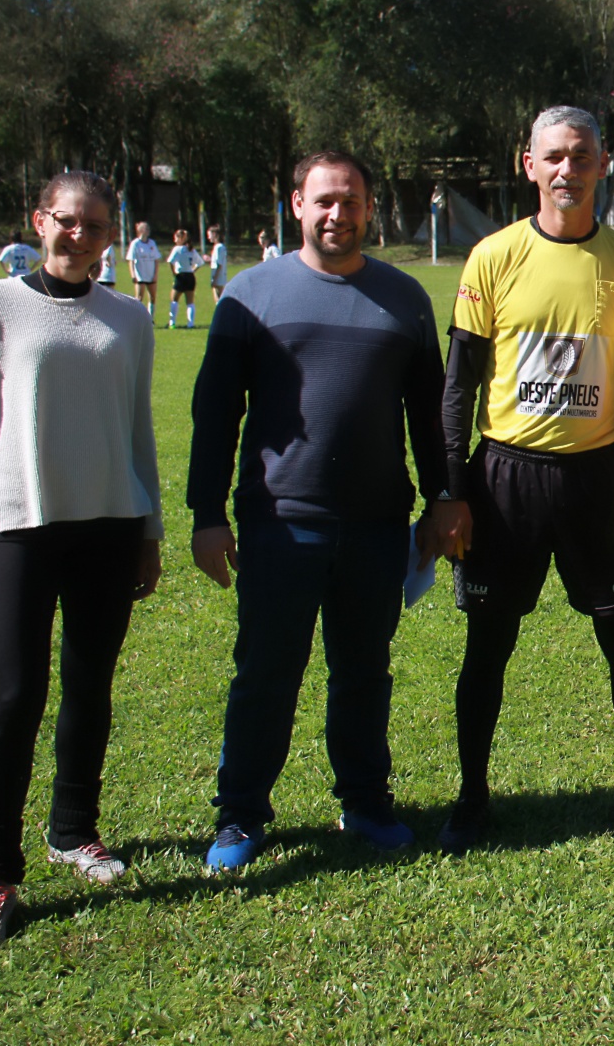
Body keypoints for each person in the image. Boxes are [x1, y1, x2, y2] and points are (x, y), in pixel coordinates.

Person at [188, 151, 458, 872]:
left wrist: (441, 499)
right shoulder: (250, 294)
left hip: (375, 526)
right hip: (280, 522)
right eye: (325, 201)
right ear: (296, 205)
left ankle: (366, 803)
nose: (339, 214)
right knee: (266, 672)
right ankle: (241, 816)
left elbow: (429, 418)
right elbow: (215, 414)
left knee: (364, 671)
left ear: (370, 209)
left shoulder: (405, 298)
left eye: (353, 201)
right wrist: (206, 513)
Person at [0, 171, 163, 953]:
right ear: (40, 221)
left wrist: (150, 529)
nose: (81, 238)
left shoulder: (130, 318)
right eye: (68, 222)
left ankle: (74, 831)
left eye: (96, 227)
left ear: (113, 235)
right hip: (19, 527)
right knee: (14, 699)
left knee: (90, 690)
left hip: (108, 526)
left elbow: (138, 432)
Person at [437, 106, 614, 853]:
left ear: (602, 165)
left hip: (598, 482)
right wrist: (452, 492)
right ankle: (472, 797)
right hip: (505, 481)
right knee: (487, 647)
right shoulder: (492, 257)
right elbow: (457, 389)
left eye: (581, 156)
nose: (567, 169)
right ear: (527, 164)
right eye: (553, 157)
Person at [165, 229, 204, 330]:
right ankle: (190, 324)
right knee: (190, 302)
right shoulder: (191, 249)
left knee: (174, 300)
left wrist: (174, 273)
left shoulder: (177, 249)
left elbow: (170, 261)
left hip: (181, 276)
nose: (175, 239)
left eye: (176, 237)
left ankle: (172, 323)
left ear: (182, 238)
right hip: (190, 276)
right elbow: (200, 263)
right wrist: (192, 271)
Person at [126, 222, 161, 318]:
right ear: (140, 230)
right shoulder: (135, 244)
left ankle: (151, 319)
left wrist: (155, 275)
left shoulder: (152, 243)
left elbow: (156, 260)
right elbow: (131, 260)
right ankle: (137, 318)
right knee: (139, 298)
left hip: (150, 274)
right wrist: (133, 275)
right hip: (140, 275)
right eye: (146, 229)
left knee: (152, 297)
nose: (148, 231)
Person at [207, 225, 230, 302]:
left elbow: (218, 264)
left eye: (209, 235)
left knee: (218, 300)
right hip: (221, 276)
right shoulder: (220, 247)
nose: (208, 237)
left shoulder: (218, 247)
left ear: (214, 234)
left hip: (218, 277)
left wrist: (214, 279)